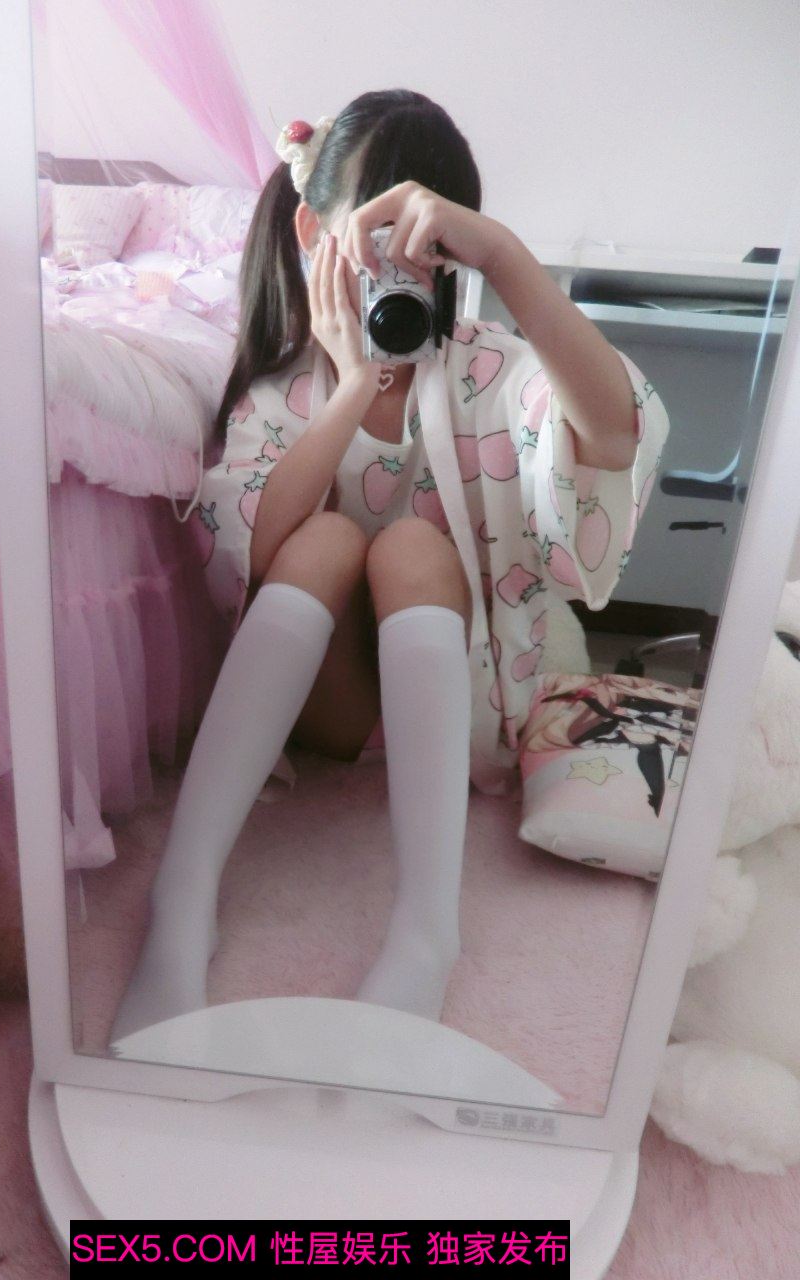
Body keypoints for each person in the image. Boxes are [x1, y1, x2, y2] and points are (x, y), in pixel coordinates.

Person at [113, 89, 670, 1037]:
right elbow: (249, 553)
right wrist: (349, 385)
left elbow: (612, 433)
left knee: (411, 544)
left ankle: (426, 930)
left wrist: (504, 257)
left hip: (454, 704)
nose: (397, 271)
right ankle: (184, 891)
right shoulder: (281, 382)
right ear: (312, 232)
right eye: (374, 242)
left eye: (427, 248)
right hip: (318, 705)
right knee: (327, 539)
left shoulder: (489, 367)